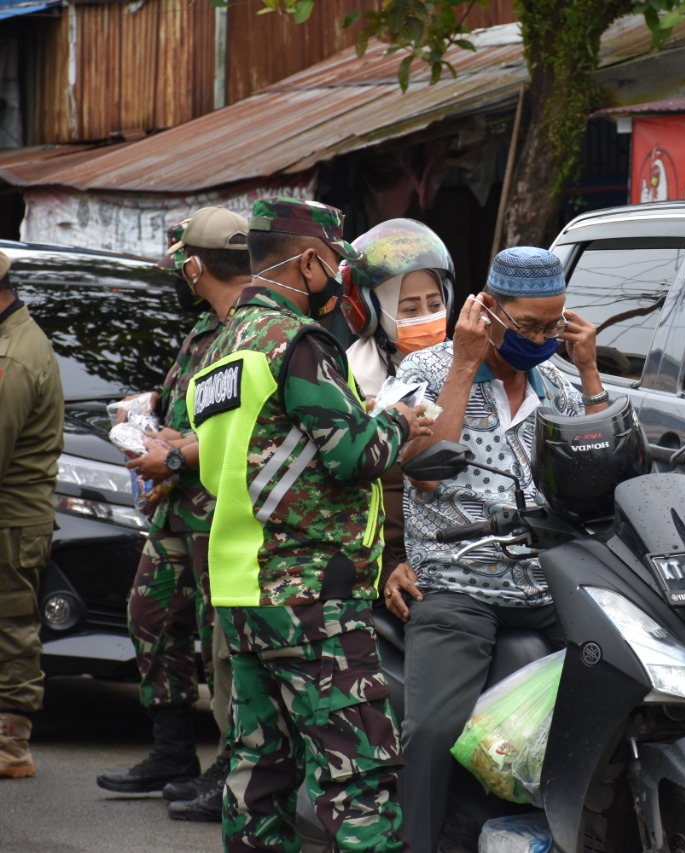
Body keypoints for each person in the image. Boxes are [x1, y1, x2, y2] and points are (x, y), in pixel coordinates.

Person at [186, 198, 431, 852]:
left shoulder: (219, 348)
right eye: (335, 265)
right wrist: (400, 422)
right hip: (310, 596)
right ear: (312, 261)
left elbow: (219, 470)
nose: (338, 283)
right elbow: (356, 455)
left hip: (241, 596)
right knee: (358, 779)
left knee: (258, 778)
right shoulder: (299, 342)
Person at [386, 246, 608, 853]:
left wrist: (588, 370)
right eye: (528, 325)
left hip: (550, 582)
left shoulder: (558, 383)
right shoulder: (425, 372)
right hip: (458, 585)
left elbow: (606, 472)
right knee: (432, 730)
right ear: (487, 310)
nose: (540, 338)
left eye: (552, 326)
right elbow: (425, 472)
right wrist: (464, 363)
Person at [96, 207, 251, 824]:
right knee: (152, 613)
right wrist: (148, 423)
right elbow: (190, 409)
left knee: (228, 649)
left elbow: (243, 431)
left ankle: (234, 767)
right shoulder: (201, 331)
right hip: (178, 511)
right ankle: (172, 751)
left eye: (181, 265)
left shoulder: (249, 332)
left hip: (222, 514)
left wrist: (176, 456)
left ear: (195, 265)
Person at [342, 218, 455, 581]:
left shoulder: (465, 366)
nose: (427, 317)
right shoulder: (348, 379)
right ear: (373, 312)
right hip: (380, 559)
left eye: (434, 303)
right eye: (409, 309)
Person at [0, 249, 63, 779]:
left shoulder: (14, 356)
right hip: (13, 517)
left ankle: (10, 748)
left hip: (11, 520)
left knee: (11, 627)